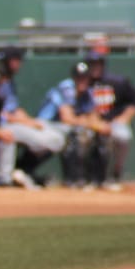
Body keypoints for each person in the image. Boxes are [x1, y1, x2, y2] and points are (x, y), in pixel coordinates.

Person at [0, 47, 63, 189]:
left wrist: (30, 121)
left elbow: (14, 108)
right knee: (47, 139)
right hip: (2, 125)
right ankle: (15, 173)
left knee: (55, 136)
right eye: (17, 60)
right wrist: (25, 122)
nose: (19, 64)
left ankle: (23, 169)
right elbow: (0, 113)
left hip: (15, 123)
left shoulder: (9, 81)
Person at [36, 60, 108, 188]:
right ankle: (72, 178)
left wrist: (99, 125)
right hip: (45, 124)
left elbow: (93, 115)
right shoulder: (67, 88)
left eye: (85, 77)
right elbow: (67, 118)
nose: (82, 80)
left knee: (98, 134)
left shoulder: (88, 91)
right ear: (74, 77)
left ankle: (97, 179)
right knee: (75, 132)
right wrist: (91, 123)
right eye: (79, 77)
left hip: (63, 127)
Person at [85, 51, 135, 191]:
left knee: (124, 136)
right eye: (92, 64)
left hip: (113, 122)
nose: (95, 67)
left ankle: (115, 173)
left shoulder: (117, 82)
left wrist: (124, 118)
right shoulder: (83, 82)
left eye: (98, 64)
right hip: (92, 123)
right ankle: (88, 177)